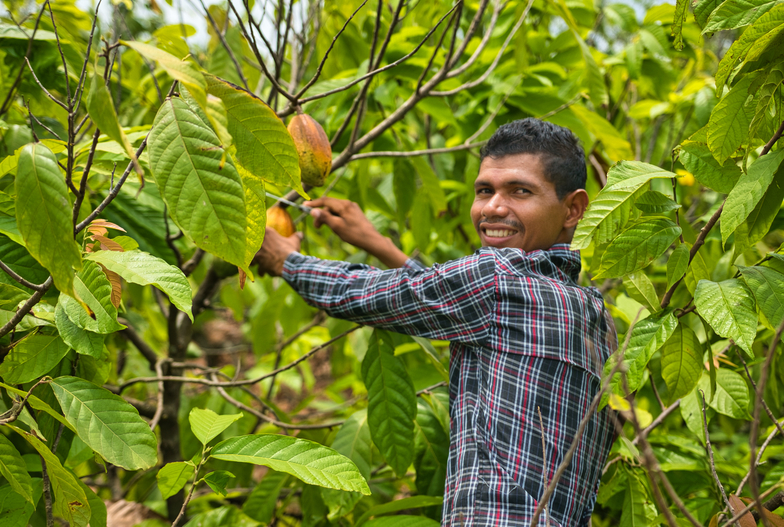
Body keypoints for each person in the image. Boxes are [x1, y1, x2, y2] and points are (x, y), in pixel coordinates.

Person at [255, 118, 618, 526]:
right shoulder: (594, 314)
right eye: (485, 191)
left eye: (520, 191)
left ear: (573, 209)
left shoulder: (498, 282)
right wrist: (380, 245)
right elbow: (448, 299)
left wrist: (283, 259)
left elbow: (371, 297)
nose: (494, 207)